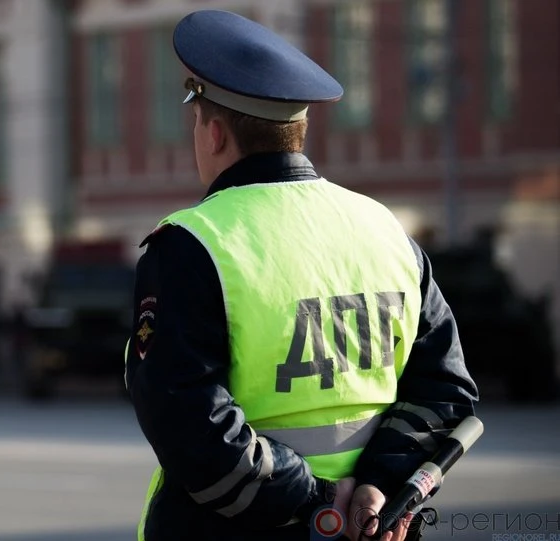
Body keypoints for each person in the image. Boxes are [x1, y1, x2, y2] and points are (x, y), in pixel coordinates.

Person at [123, 10, 479, 541]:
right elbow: (446, 390)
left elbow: (185, 418)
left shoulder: (193, 244)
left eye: (195, 120)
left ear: (214, 133)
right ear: (297, 132)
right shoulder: (385, 230)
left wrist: (316, 499)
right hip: (371, 527)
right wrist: (378, 485)